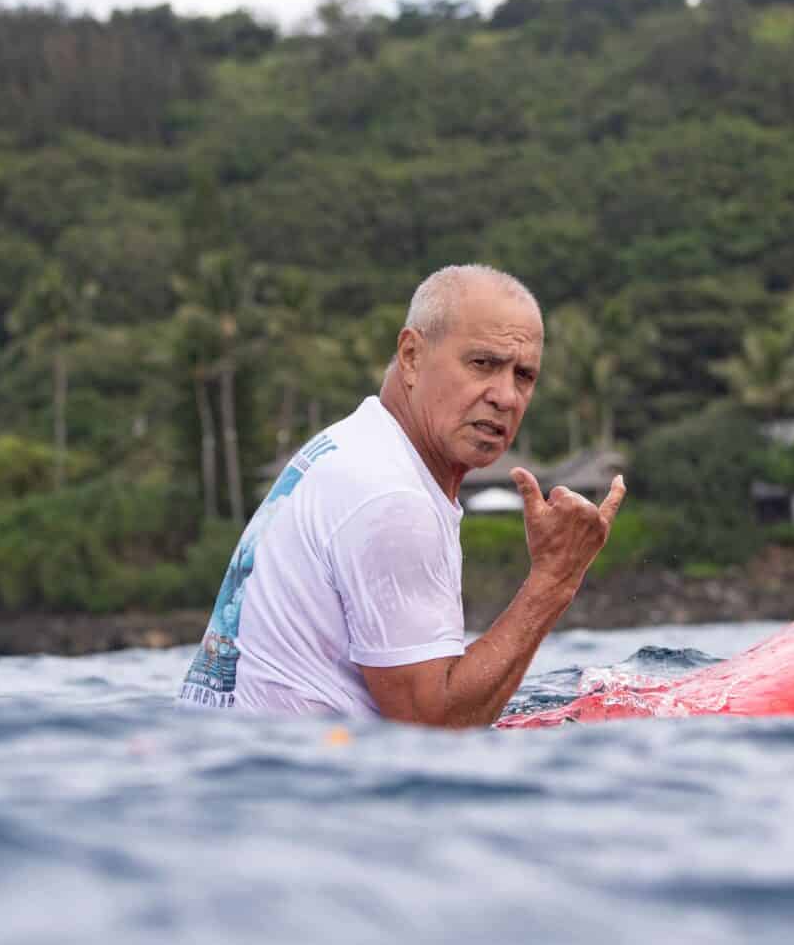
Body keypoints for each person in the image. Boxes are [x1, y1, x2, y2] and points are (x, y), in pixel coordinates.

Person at [178, 264, 624, 727]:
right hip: (296, 763)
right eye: (483, 364)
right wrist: (555, 578)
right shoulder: (391, 496)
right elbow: (433, 727)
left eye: (524, 376)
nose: (506, 397)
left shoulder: (356, 445)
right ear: (411, 356)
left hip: (241, 751)